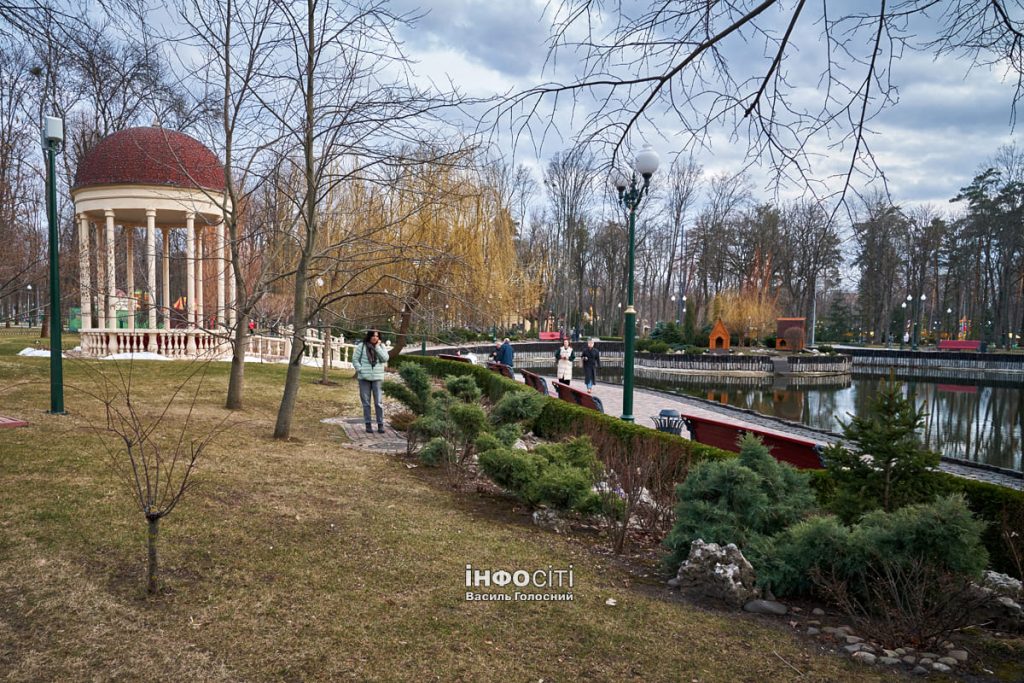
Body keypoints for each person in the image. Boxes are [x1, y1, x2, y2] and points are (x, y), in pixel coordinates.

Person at [353, 329, 389, 433]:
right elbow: (355, 360)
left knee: (378, 402)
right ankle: (368, 424)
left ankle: (380, 424)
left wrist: (377, 347)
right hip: (364, 378)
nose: (375, 337)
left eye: (377, 336)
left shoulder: (381, 347)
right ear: (369, 336)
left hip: (377, 378)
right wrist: (361, 370)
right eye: (373, 336)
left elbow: (385, 359)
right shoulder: (362, 346)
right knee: (366, 403)